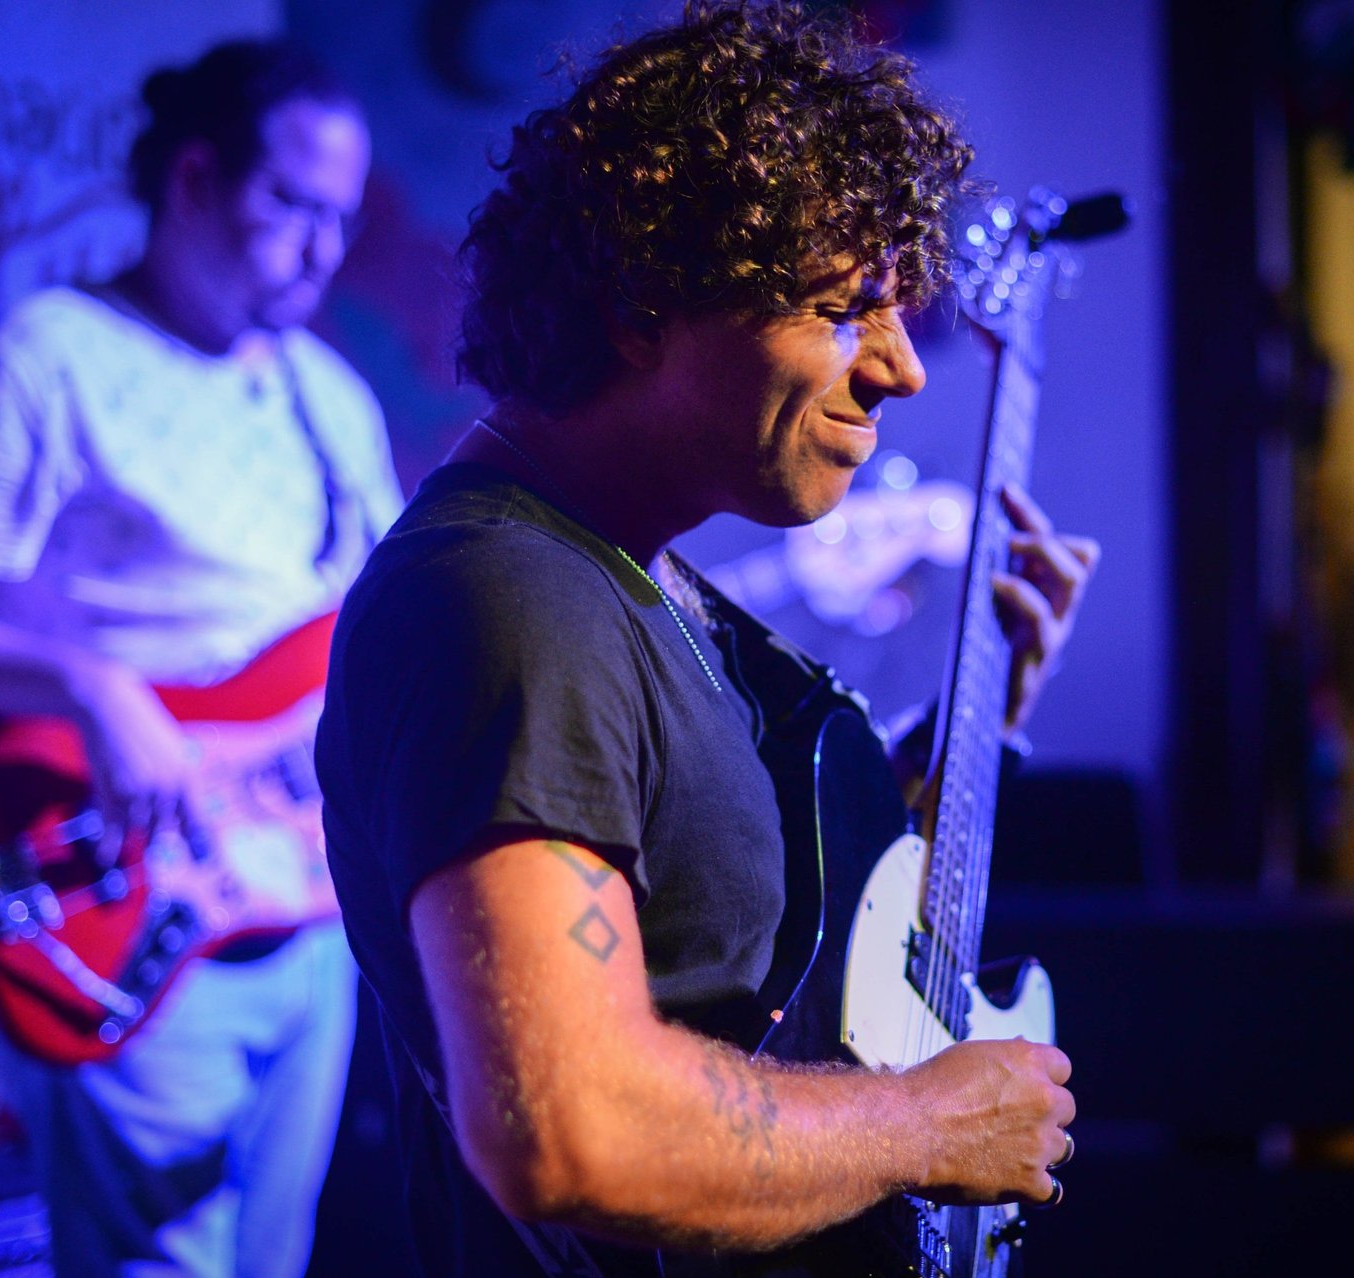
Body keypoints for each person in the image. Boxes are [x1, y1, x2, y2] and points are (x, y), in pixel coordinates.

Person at [315, 3, 1099, 1274]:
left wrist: (984, 717)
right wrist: (922, 1121)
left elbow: (751, 925)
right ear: (643, 304)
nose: (900, 368)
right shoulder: (509, 599)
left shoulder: (631, 579)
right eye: (850, 307)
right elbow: (566, 1129)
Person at [0, 39, 403, 1278]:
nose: (321, 247)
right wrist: (90, 688)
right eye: (291, 206)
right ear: (195, 180)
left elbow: (385, 641)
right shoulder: (47, 353)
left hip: (302, 908)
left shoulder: (328, 394)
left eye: (342, 219)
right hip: (125, 889)